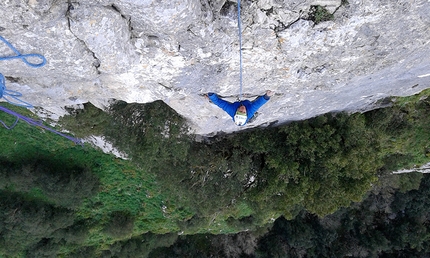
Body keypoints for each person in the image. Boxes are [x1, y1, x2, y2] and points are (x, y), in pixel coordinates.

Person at [206, 90, 273, 126]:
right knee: (255, 106)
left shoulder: (231, 110)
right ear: (246, 114)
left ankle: (210, 100)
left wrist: (211, 95)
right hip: (248, 109)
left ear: (236, 111)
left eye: (240, 111)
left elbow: (220, 103)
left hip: (240, 108)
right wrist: (267, 96)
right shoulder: (249, 112)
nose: (243, 110)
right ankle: (252, 118)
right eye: (244, 112)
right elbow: (258, 104)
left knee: (216, 103)